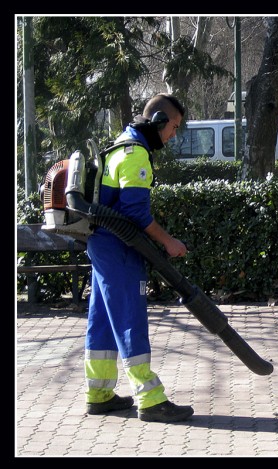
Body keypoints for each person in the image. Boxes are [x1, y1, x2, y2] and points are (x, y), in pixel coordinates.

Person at [84, 93, 194, 423]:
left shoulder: (120, 145)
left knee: (103, 320)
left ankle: (99, 393)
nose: (172, 135)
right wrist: (169, 242)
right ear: (159, 121)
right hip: (119, 248)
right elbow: (135, 212)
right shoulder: (135, 154)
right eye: (173, 127)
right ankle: (150, 399)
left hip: (102, 244)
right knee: (130, 318)